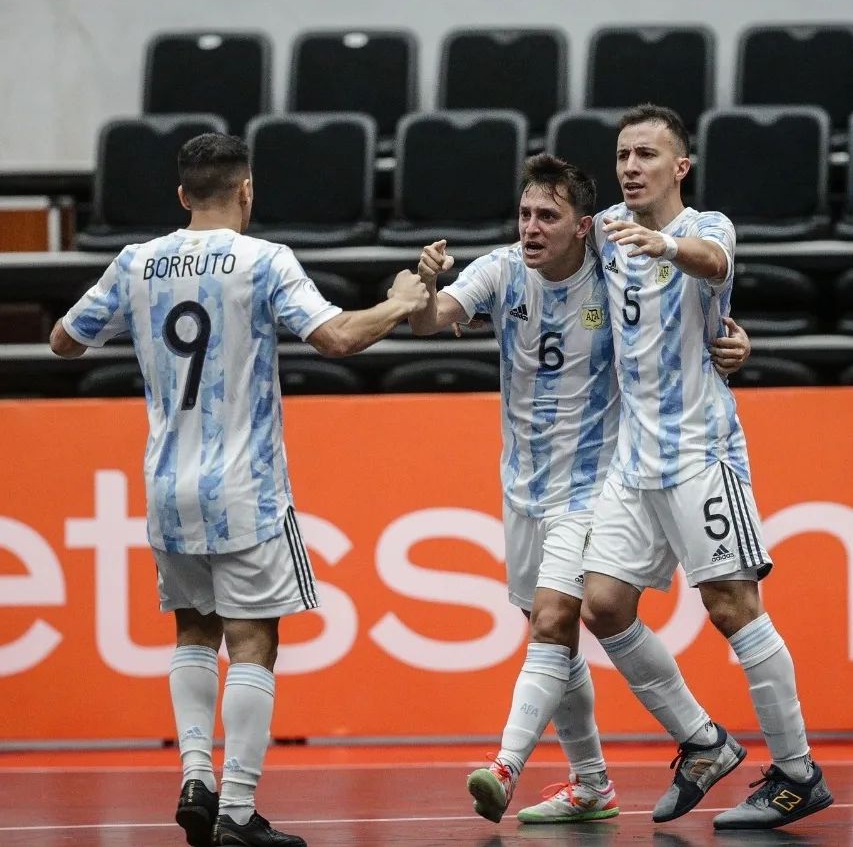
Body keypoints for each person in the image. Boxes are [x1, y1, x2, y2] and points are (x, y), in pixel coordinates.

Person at [49, 132, 429, 847]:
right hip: (245, 487)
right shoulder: (263, 260)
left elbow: (64, 342)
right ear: (247, 189)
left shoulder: (137, 261)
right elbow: (339, 339)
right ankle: (237, 810)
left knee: (193, 630)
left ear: (182, 196)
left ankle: (196, 775)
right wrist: (400, 302)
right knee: (253, 639)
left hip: (166, 483)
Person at [407, 153, 751, 826]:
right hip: (522, 489)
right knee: (552, 639)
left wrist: (732, 342)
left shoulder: (613, 272)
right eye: (525, 214)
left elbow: (693, 304)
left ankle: (504, 765)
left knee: (555, 619)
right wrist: (423, 288)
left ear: (583, 226)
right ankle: (600, 779)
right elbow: (429, 320)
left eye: (547, 216)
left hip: (594, 485)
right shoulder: (503, 270)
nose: (530, 228)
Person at [579, 104, 834, 830]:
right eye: (623, 155)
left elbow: (713, 265)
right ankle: (702, 740)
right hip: (633, 460)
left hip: (699, 451)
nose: (630, 166)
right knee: (601, 605)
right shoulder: (602, 229)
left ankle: (795, 772)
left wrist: (660, 245)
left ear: (679, 167)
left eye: (647, 155)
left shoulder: (704, 226)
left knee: (730, 607)